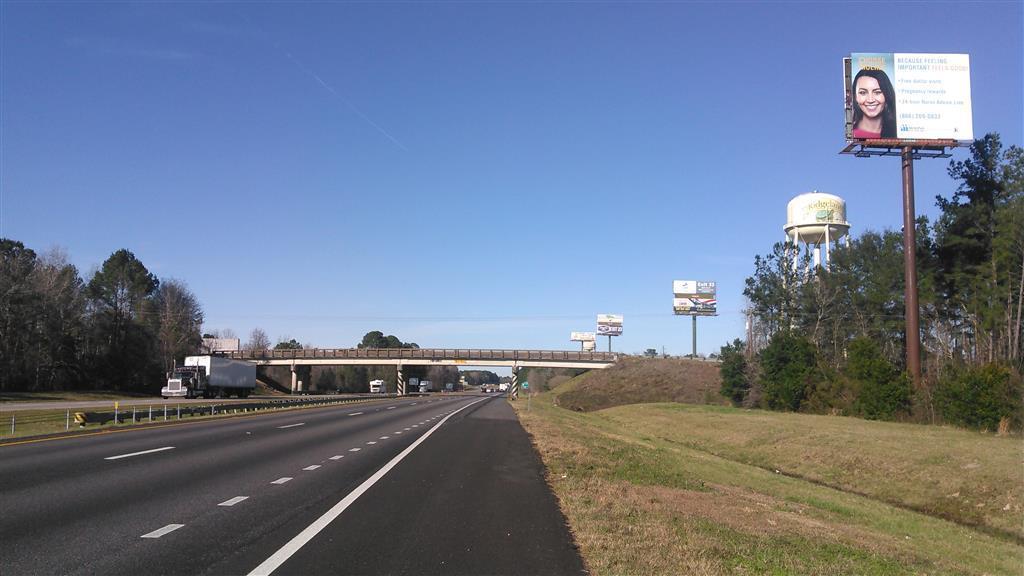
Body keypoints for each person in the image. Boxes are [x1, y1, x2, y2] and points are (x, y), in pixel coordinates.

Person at [851, 68, 897, 139]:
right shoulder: (852, 133)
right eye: (863, 93)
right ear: (855, 97)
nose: (870, 100)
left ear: (886, 94)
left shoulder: (897, 133)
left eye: (877, 92)